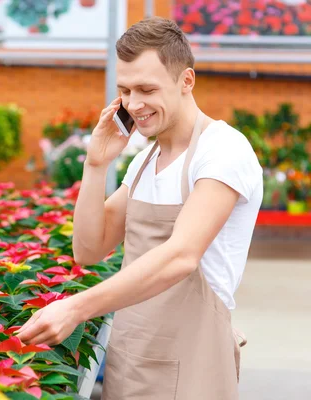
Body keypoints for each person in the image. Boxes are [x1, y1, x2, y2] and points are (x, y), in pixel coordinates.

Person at [16, 16, 263, 399]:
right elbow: (89, 249)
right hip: (131, 358)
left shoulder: (223, 151)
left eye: (147, 89)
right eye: (125, 90)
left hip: (193, 362)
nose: (134, 104)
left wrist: (75, 308)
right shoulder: (146, 160)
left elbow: (181, 255)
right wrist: (95, 165)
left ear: (186, 81)